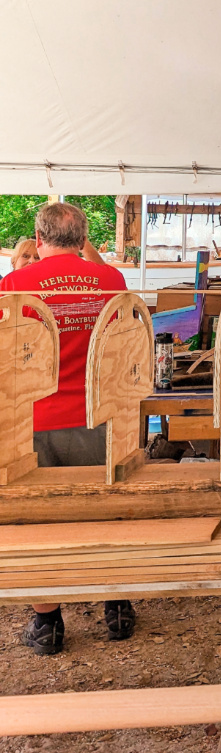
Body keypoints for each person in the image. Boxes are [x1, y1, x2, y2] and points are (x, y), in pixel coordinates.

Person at [0, 202, 132, 655]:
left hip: (33, 420)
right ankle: (117, 606)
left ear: (38, 239)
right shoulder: (112, 281)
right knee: (108, 512)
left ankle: (48, 622)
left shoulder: (15, 284)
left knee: (36, 523)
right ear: (84, 239)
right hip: (100, 416)